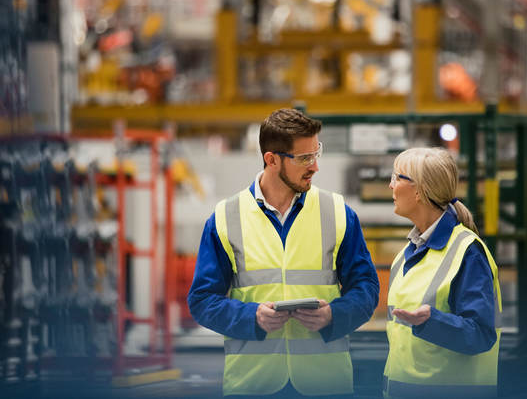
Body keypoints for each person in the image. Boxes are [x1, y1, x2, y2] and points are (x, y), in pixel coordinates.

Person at [187, 108, 379, 397]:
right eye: (304, 158)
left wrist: (333, 315)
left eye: (317, 154)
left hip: (325, 384)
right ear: (272, 159)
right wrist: (252, 317)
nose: (314, 166)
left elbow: (366, 290)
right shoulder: (226, 218)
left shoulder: (338, 213)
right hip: (253, 385)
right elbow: (202, 301)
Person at [383, 147, 502, 398]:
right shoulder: (406, 254)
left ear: (419, 190)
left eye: (397, 177)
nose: (390, 185)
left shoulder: (468, 252)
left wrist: (431, 322)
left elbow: (481, 334)